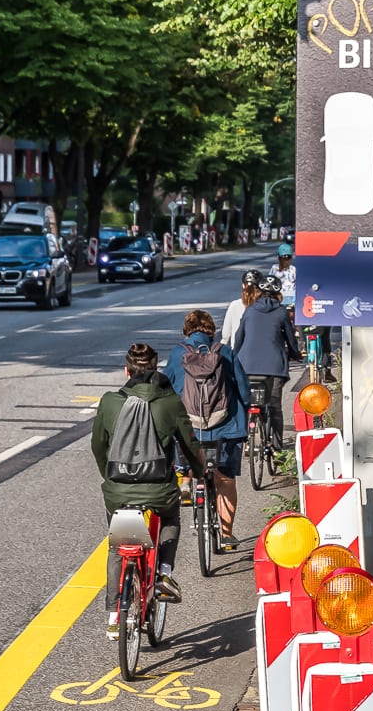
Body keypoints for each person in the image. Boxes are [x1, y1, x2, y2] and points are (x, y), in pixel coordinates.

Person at [91, 342, 204, 638]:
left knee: (119, 546)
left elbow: (98, 446)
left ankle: (115, 614)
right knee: (170, 519)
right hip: (159, 490)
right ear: (155, 370)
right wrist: (199, 471)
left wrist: (112, 477)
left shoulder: (110, 402)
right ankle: (164, 573)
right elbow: (189, 445)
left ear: (126, 370)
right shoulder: (169, 402)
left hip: (119, 491)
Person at [164, 311, 250, 550]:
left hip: (190, 429)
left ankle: (186, 480)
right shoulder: (224, 352)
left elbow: (166, 388)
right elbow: (242, 389)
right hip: (227, 429)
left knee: (188, 457)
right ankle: (226, 533)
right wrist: (247, 411)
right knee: (225, 480)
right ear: (211, 329)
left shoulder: (177, 354)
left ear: (187, 330)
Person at [233, 274, 302, 448]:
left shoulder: (249, 310)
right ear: (278, 295)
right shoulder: (281, 312)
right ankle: (277, 448)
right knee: (274, 407)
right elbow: (290, 339)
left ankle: (245, 440)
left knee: (250, 403)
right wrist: (296, 354)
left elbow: (239, 337)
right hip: (274, 368)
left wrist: (234, 357)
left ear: (259, 293)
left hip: (247, 366)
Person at [220, 269, 263, 349]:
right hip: (259, 352)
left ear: (243, 285)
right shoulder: (264, 306)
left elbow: (226, 335)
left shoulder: (234, 305)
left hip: (238, 353)